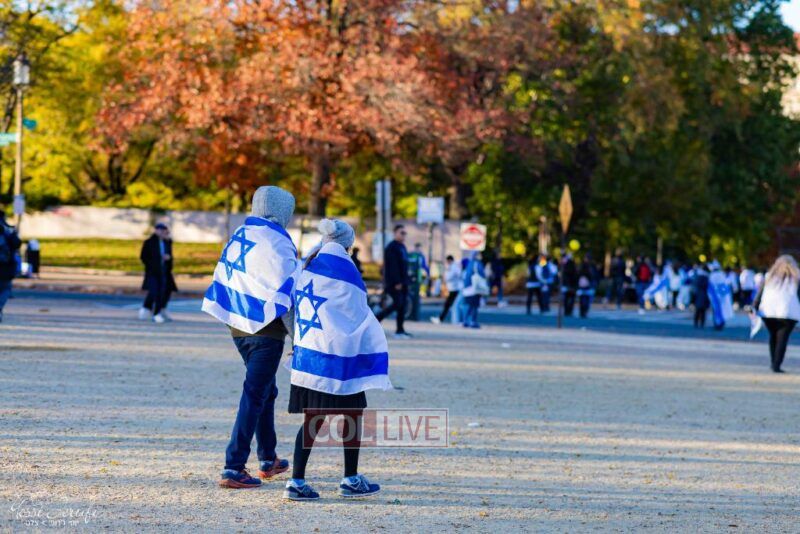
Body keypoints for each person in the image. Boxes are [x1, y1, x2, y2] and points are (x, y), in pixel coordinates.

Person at [202, 185, 300, 489]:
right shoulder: (277, 243)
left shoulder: (241, 235)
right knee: (255, 393)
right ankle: (233, 466)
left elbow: (228, 277)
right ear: (281, 211)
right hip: (267, 331)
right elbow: (286, 294)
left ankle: (268, 458)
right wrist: (298, 339)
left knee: (266, 390)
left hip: (237, 327)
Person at [286, 219, 390, 500]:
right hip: (341, 356)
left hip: (311, 354)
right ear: (348, 243)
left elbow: (291, 305)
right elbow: (357, 312)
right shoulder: (347, 269)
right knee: (353, 416)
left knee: (313, 418)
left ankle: (296, 481)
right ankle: (350, 478)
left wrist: (298, 340)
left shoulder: (308, 265)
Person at [753, 255, 800, 373]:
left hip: (768, 311)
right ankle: (776, 365)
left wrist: (755, 306)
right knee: (782, 339)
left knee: (773, 336)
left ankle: (773, 362)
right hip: (788, 312)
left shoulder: (769, 276)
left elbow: (760, 293)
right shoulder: (797, 276)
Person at [375, 225, 411, 339]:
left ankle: (400, 330)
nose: (404, 235)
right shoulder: (391, 247)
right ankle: (375, 321)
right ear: (395, 233)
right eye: (402, 233)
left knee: (402, 306)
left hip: (403, 282)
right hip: (394, 283)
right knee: (397, 304)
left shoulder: (402, 247)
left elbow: (404, 265)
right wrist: (397, 282)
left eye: (405, 233)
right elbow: (392, 267)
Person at [138, 223, 176, 323]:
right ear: (156, 230)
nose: (162, 232)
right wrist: (153, 264)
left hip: (164, 271)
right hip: (153, 272)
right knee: (155, 292)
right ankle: (154, 312)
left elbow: (170, 255)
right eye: (160, 230)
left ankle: (157, 310)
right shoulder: (149, 242)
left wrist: (168, 258)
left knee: (164, 291)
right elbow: (143, 257)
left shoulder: (167, 242)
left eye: (164, 230)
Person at [0, 212, 21, 322]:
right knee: (5, 289)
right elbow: (17, 244)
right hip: (6, 266)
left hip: (5, 265)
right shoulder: (8, 229)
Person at [431, 255, 461, 324]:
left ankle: (441, 319)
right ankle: (454, 320)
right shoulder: (453, 267)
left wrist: (445, 277)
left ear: (450, 260)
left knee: (448, 305)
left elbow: (449, 277)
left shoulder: (453, 267)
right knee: (451, 305)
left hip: (454, 289)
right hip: (453, 289)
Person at [461, 252, 488, 328]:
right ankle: (473, 321)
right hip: (475, 287)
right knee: (474, 305)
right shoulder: (477, 263)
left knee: (468, 305)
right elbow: (482, 274)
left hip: (467, 288)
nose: (481, 256)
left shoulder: (469, 263)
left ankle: (465, 321)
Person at [708, 260, 734, 330]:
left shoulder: (712, 275)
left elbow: (710, 287)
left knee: (716, 310)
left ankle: (717, 324)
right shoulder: (722, 274)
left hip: (715, 296)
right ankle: (722, 323)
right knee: (723, 309)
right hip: (723, 295)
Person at [692, 264, 710, 328]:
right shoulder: (707, 277)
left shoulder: (698, 276)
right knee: (703, 311)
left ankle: (696, 322)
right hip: (704, 295)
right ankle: (702, 323)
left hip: (698, 294)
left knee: (698, 310)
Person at [561, 253, 578, 317]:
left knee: (566, 298)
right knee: (571, 298)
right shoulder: (574, 269)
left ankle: (566, 311)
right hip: (572, 286)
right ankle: (570, 311)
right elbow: (576, 277)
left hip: (567, 285)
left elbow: (564, 277)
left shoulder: (565, 269)